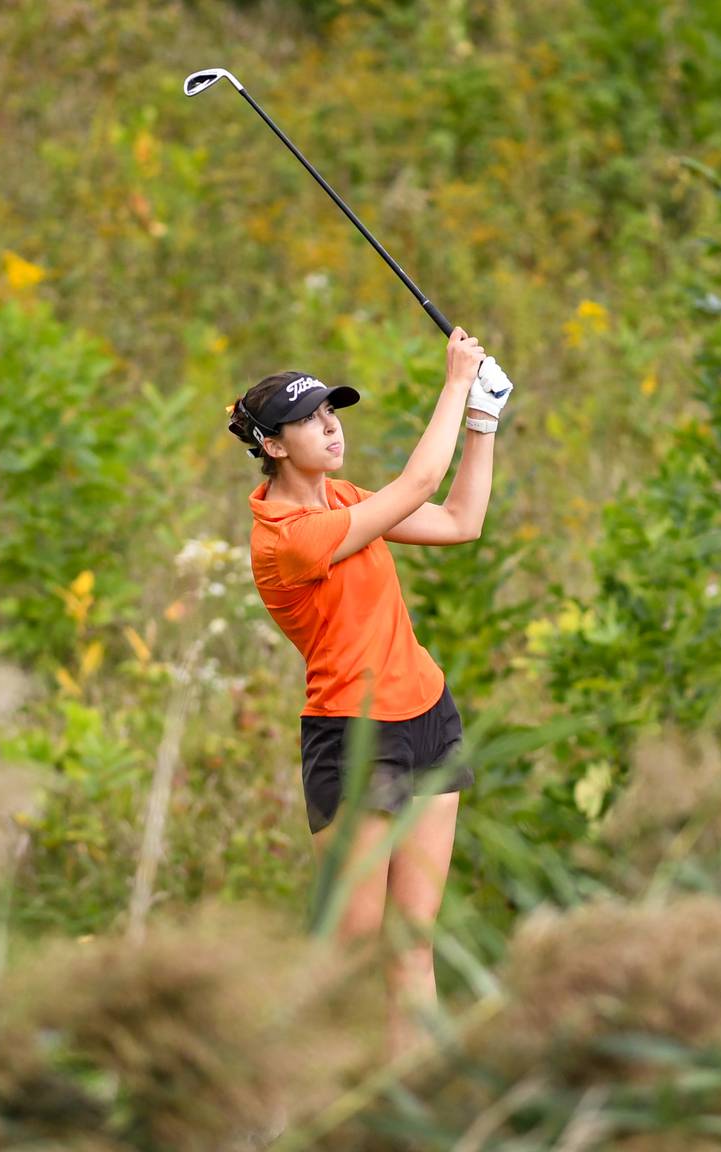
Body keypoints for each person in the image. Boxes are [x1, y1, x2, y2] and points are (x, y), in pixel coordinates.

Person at [227, 326, 511, 1063]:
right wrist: (455, 383)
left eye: (333, 411)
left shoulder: (345, 498)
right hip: (354, 738)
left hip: (427, 719)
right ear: (274, 446)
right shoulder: (288, 537)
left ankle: (409, 1107)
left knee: (412, 945)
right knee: (351, 951)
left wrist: (483, 421)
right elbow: (418, 487)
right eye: (310, 419)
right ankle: (285, 1095)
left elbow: (459, 520)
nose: (330, 425)